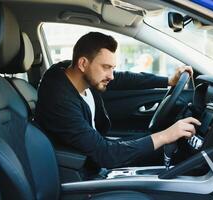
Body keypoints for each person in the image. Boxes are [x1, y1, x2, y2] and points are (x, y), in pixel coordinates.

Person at [35, 32, 200, 169]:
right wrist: (165, 135)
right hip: (84, 170)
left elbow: (122, 78)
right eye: (106, 67)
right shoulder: (59, 100)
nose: (111, 76)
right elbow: (105, 155)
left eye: (112, 68)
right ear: (83, 63)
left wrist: (167, 81)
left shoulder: (71, 71)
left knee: (161, 144)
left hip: (96, 148)